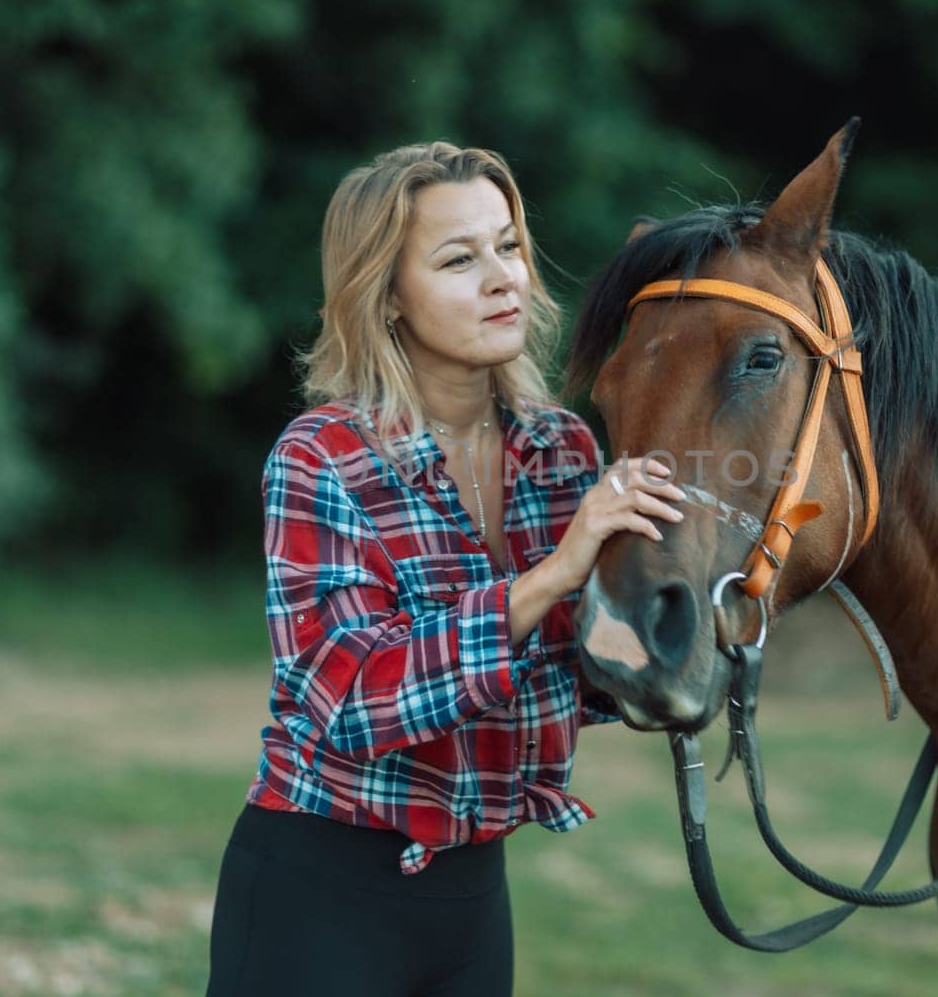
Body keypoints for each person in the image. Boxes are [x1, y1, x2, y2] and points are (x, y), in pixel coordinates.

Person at [205, 142, 686, 996]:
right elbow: (350, 698)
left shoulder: (562, 450)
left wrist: (690, 613)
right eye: (460, 259)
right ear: (386, 296)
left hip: (473, 899)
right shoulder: (325, 458)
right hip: (320, 888)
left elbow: (582, 678)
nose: (503, 277)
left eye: (508, 245)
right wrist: (550, 576)